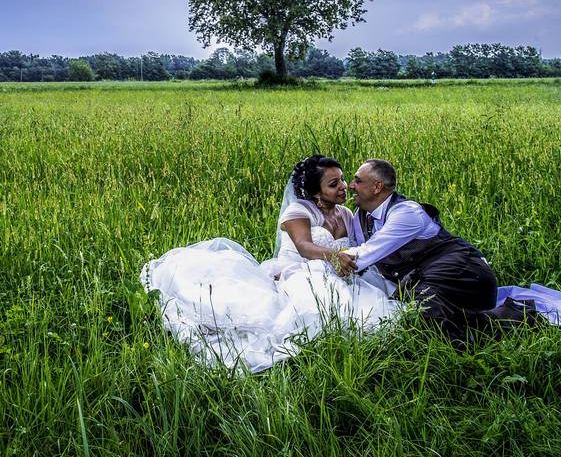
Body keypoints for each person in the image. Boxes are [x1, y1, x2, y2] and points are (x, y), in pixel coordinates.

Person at [141, 155, 400, 373]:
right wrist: (333, 256)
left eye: (343, 179)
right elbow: (305, 247)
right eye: (334, 184)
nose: (344, 186)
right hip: (296, 272)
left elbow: (360, 245)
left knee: (368, 306)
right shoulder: (299, 211)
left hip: (333, 273)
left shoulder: (346, 213)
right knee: (312, 309)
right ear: (315, 192)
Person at [342, 159, 497, 340]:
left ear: (377, 187)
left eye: (358, 181)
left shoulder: (407, 213)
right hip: (423, 277)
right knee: (405, 312)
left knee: (420, 311)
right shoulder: (359, 218)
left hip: (464, 273)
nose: (351, 186)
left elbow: (363, 255)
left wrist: (327, 261)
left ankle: (506, 321)